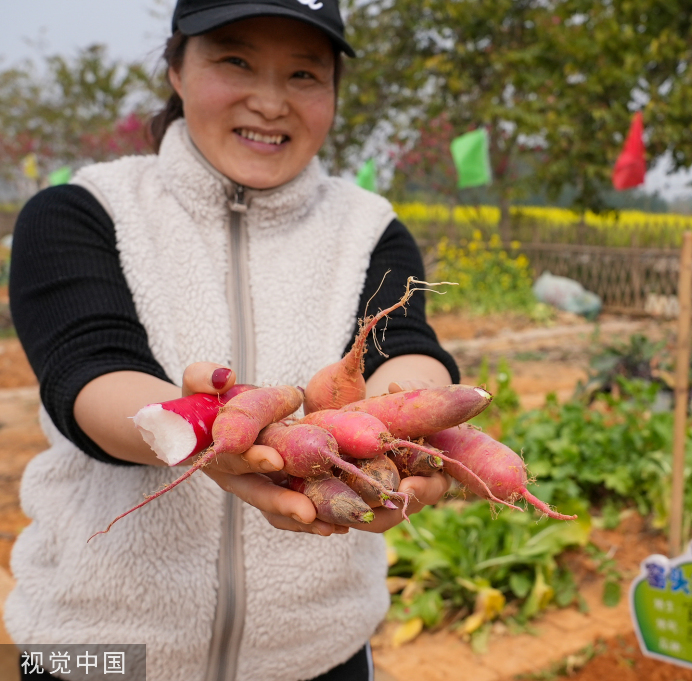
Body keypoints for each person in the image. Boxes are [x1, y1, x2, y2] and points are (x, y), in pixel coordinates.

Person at [5, 1, 458, 679]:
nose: (271, 101)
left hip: (317, 653)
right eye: (236, 61)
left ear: (333, 91)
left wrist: (404, 425)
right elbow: (92, 369)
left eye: (304, 74)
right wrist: (205, 425)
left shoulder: (370, 228)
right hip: (96, 648)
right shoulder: (81, 211)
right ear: (177, 69)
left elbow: (404, 346)